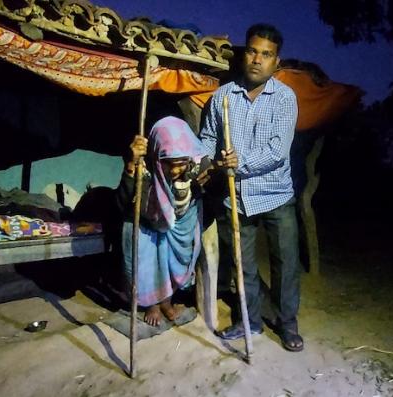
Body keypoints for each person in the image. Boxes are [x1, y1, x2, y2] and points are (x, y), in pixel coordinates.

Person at [200, 23, 304, 351]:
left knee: (285, 264)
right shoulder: (223, 97)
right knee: (242, 266)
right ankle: (251, 322)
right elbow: (207, 139)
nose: (258, 59)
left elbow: (277, 152)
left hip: (275, 195)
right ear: (246, 54)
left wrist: (237, 162)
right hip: (237, 197)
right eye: (253, 51)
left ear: (276, 62)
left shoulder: (285, 99)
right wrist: (208, 162)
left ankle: (287, 326)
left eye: (267, 54)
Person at [116, 116, 211, 327]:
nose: (177, 171)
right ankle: (152, 304)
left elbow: (211, 178)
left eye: (181, 164)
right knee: (149, 261)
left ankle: (167, 301)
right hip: (147, 224)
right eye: (170, 165)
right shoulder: (144, 165)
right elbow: (123, 202)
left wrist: (224, 167)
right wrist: (132, 165)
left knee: (172, 261)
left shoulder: (194, 162)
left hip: (179, 222)